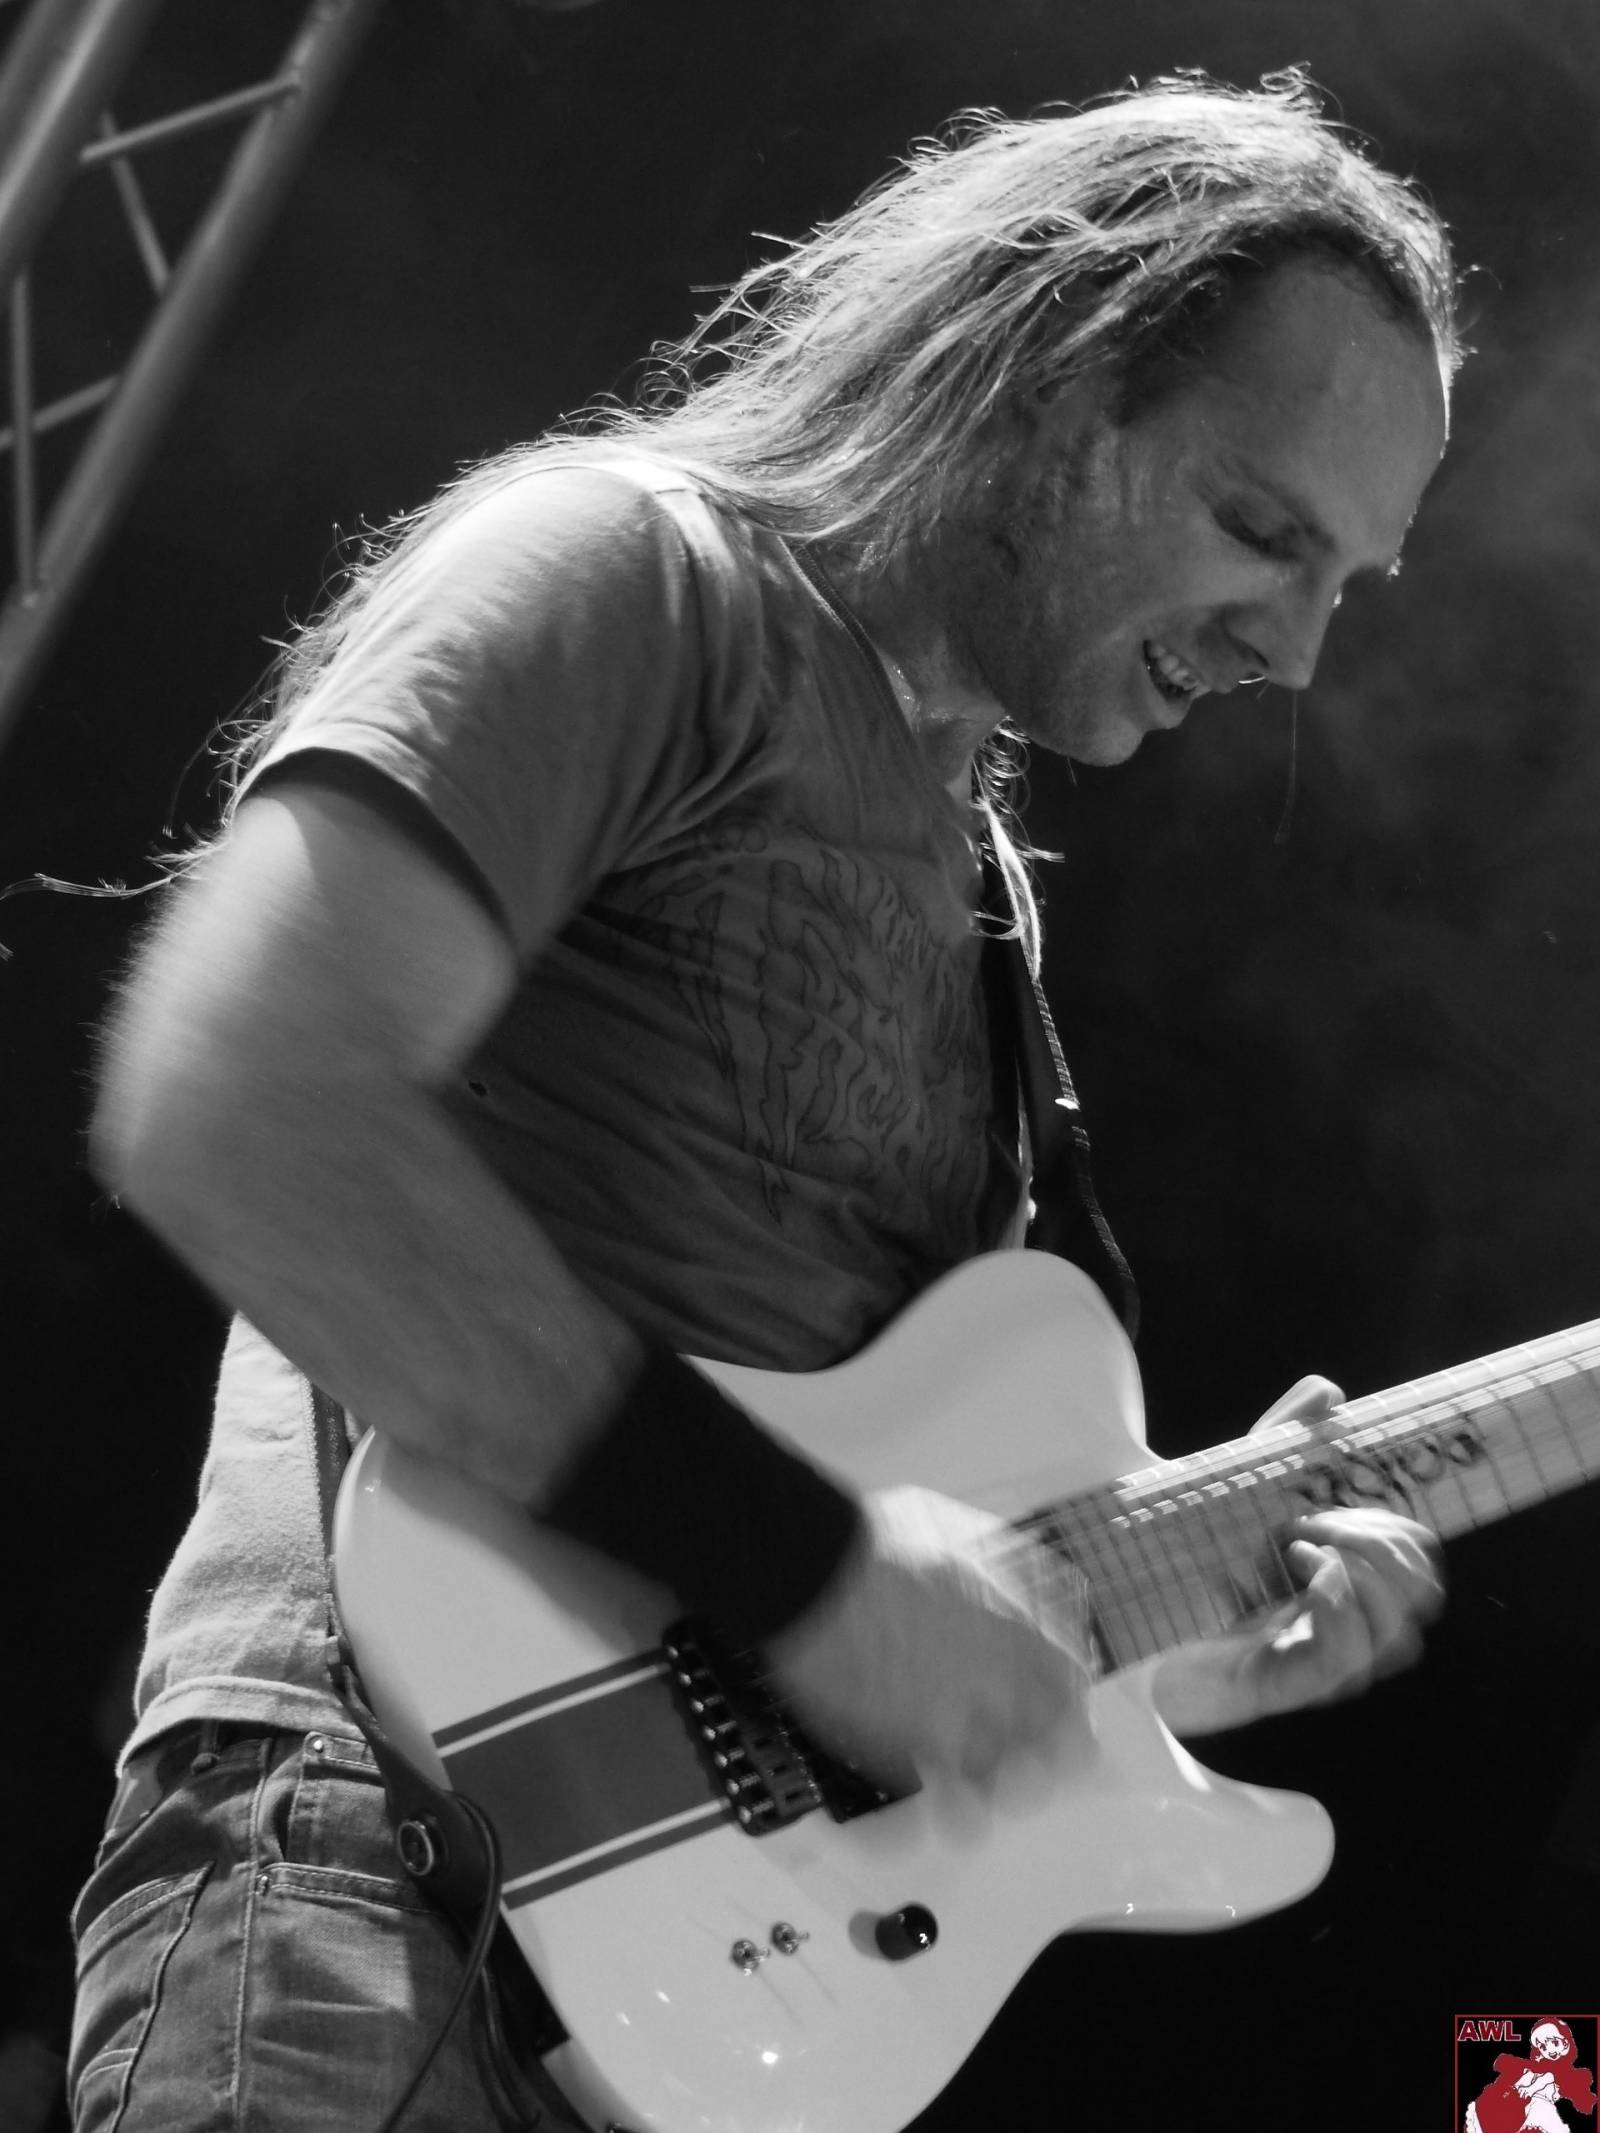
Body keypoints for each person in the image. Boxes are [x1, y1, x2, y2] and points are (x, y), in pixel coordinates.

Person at [68, 71, 1456, 2133]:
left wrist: (1144, 1637)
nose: (1299, 647)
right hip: (370, 1862)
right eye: (1263, 531)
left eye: (1348, 577)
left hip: (680, 1988)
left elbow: (861, 1502)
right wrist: (821, 1579)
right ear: (1047, 383)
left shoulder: (977, 894)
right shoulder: (634, 579)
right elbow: (239, 1106)